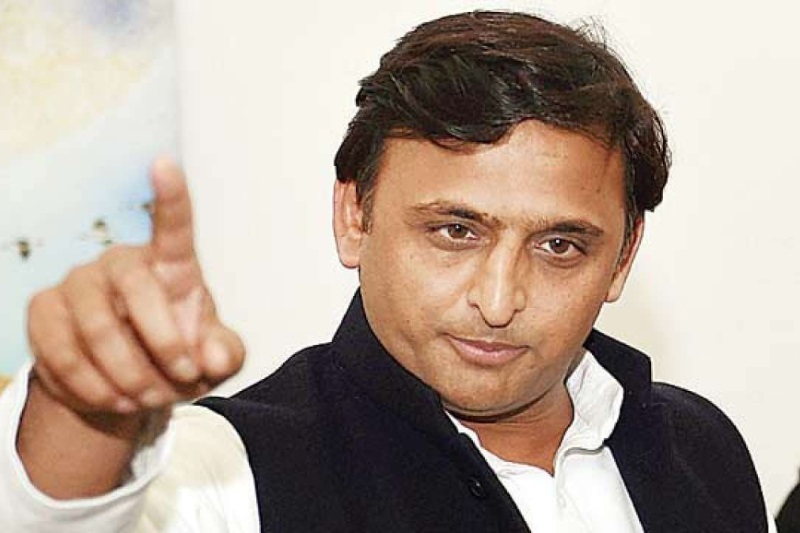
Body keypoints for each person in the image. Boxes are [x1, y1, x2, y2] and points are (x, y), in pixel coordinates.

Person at [0, 10, 775, 532]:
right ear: (354, 215)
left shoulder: (701, 447)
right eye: (455, 230)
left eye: (560, 246)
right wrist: (80, 411)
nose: (498, 299)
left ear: (623, 257)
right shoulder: (229, 470)